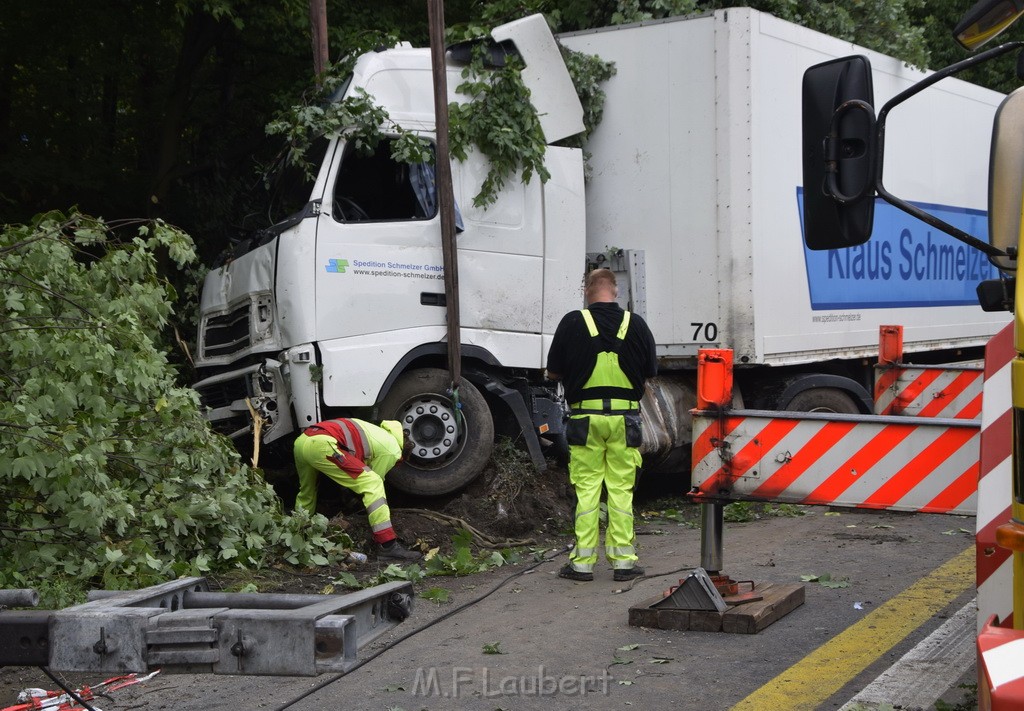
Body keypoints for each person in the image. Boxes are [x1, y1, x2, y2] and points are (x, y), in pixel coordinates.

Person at [546, 268, 657, 582]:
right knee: (621, 490)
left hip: (585, 421)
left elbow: (553, 374)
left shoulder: (571, 322)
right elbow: (650, 372)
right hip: (625, 421)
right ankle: (623, 563)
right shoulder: (636, 324)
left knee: (587, 490)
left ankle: (582, 564)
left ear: (586, 291)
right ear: (616, 291)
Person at [293, 417, 422, 561]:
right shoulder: (392, 450)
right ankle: (388, 545)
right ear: (403, 454)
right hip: (322, 444)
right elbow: (373, 481)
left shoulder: (377, 432)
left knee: (307, 492)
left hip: (302, 441)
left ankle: (296, 534)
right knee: (373, 482)